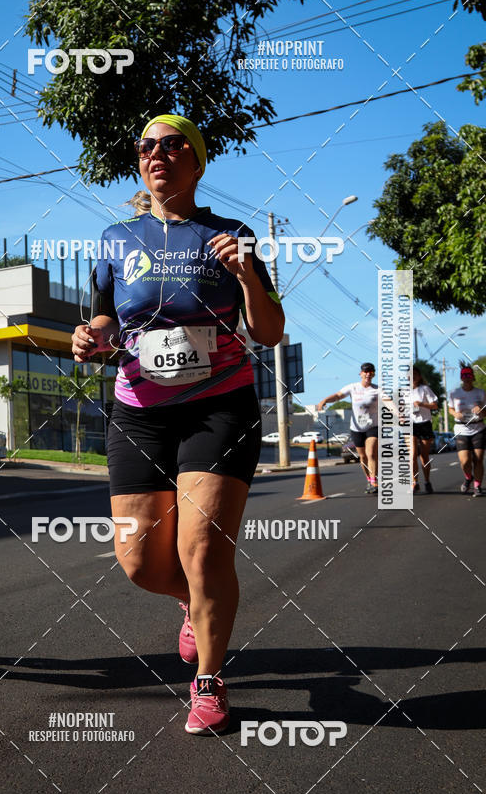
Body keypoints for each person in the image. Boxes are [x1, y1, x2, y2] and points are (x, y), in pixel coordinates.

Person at [72, 114, 284, 734]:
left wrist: (246, 274)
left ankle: (210, 681)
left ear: (196, 160)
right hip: (139, 411)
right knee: (140, 562)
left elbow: (270, 331)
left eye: (172, 145)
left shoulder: (233, 235)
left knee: (203, 548)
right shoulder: (115, 239)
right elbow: (106, 318)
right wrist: (91, 336)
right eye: (146, 146)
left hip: (219, 407)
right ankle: (194, 602)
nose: (157, 154)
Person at [317, 363, 380, 493]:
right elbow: (338, 396)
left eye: (371, 371)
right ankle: (369, 479)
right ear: (361, 374)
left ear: (373, 374)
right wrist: (325, 400)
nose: (368, 374)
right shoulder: (353, 387)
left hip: (373, 426)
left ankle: (374, 481)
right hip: (357, 428)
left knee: (371, 453)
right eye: (366, 371)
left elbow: (389, 402)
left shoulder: (378, 389)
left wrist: (398, 413)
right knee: (363, 457)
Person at [448, 365, 485, 497]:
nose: (467, 378)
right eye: (464, 376)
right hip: (461, 429)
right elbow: (450, 409)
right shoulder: (454, 393)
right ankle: (468, 477)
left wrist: (481, 410)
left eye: (469, 376)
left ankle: (477, 486)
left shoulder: (480, 393)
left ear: (473, 377)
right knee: (465, 462)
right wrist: (455, 414)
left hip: (478, 428)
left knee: (478, 459)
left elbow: (485, 412)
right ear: (461, 378)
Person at [411, 366, 439, 494]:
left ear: (419, 376)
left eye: (415, 374)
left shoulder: (425, 389)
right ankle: (414, 482)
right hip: (410, 424)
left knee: (424, 456)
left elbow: (435, 405)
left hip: (424, 423)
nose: (413, 377)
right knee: (412, 455)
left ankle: (427, 481)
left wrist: (422, 404)